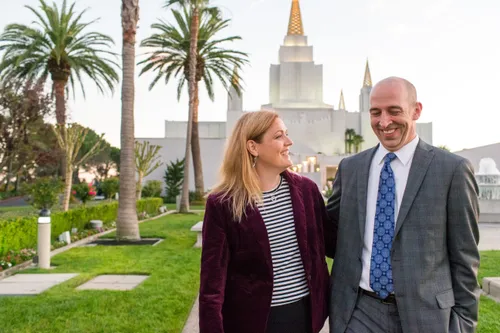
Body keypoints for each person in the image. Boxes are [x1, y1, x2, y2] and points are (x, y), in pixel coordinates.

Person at [326, 77, 480, 333]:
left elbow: (465, 257)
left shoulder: (452, 170)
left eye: (394, 111)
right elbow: (331, 236)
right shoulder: (351, 169)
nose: (384, 122)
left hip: (428, 315)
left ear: (416, 110)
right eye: (376, 112)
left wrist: (463, 323)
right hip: (358, 312)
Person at [199, 110, 333, 333]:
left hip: (306, 316)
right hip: (254, 321)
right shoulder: (223, 203)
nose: (289, 142)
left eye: (286, 134)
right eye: (279, 136)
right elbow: (212, 282)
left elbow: (332, 243)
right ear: (253, 147)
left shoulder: (306, 190)